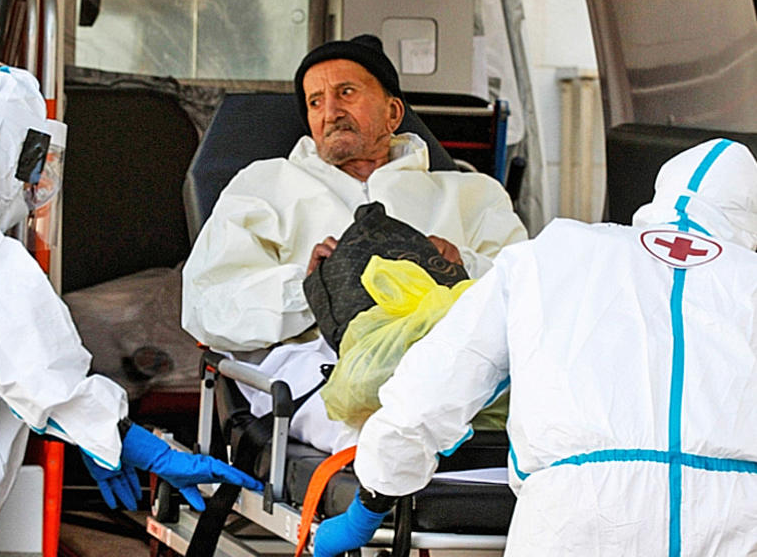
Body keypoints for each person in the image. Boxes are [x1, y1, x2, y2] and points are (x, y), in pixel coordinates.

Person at [0, 66, 261, 557]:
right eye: (33, 164)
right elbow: (43, 375)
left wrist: (87, 435)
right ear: (10, 156)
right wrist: (130, 442)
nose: (36, 186)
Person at [312, 137, 757, 556]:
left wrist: (371, 502)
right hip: (736, 521)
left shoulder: (552, 255)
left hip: (576, 517)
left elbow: (435, 384)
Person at [181, 34, 526, 454]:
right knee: (388, 434)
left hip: (456, 359)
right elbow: (207, 305)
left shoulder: (471, 194)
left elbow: (529, 291)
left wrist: (461, 266)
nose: (331, 112)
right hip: (319, 365)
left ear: (393, 112)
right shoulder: (262, 187)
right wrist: (311, 287)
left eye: (346, 93)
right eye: (315, 102)